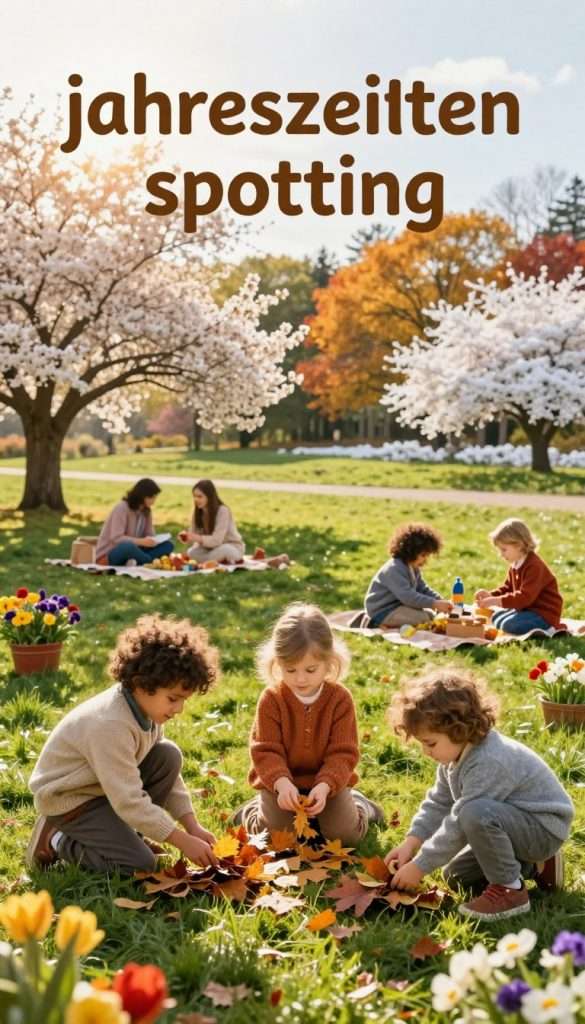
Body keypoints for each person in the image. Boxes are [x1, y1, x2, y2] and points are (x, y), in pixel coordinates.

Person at [27, 615, 220, 875]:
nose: (180, 709)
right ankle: (57, 839)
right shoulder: (111, 724)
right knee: (139, 864)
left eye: (183, 700)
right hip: (71, 801)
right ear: (142, 684)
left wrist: (191, 825)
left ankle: (124, 835)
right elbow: (128, 800)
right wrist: (178, 839)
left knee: (167, 755)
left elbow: (162, 779)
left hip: (105, 790)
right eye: (173, 699)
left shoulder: (146, 709)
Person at [383, 667, 573, 920]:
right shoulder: (453, 758)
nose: (426, 752)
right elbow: (440, 802)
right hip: (515, 826)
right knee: (457, 876)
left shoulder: (489, 761)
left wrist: (420, 867)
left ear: (458, 730)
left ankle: (510, 890)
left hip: (542, 828)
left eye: (430, 743)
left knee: (474, 812)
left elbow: (460, 822)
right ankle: (537, 866)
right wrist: (412, 843)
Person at [235, 603, 384, 843]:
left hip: (328, 785)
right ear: (277, 663)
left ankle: (361, 806)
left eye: (310, 669)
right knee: (275, 839)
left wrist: (326, 785)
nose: (300, 678)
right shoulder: (272, 699)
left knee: (345, 837)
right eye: (290, 670)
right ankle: (252, 811)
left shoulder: (339, 699)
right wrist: (281, 783)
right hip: (281, 785)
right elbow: (265, 749)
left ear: (329, 662)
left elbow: (343, 752)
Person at [474, 518, 563, 636]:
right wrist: (491, 595)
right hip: (527, 609)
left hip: (543, 614)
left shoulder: (534, 566)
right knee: (496, 617)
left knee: (508, 625)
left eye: (504, 550)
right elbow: (508, 588)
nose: (501, 554)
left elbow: (525, 597)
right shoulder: (515, 564)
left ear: (519, 545)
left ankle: (548, 629)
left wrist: (495, 601)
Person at [363, 523, 452, 629]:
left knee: (431, 615)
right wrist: (434, 603)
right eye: (423, 555)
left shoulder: (413, 567)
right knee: (425, 619)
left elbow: (422, 589)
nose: (425, 560)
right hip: (383, 611)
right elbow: (408, 597)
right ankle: (374, 623)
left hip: (398, 606)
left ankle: (389, 623)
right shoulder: (394, 569)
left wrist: (440, 600)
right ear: (411, 551)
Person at [95, 478, 174, 567]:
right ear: (142, 496)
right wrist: (141, 541)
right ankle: (148, 561)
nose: (154, 501)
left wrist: (153, 540)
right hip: (111, 553)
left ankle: (139, 561)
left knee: (168, 545)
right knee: (128, 547)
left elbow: (149, 534)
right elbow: (116, 538)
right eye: (151, 497)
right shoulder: (122, 508)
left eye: (155, 497)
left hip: (136, 550)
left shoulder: (146, 511)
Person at [178, 479, 245, 565]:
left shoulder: (223, 511)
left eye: (199, 496)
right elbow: (194, 535)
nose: (196, 499)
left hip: (230, 546)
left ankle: (220, 559)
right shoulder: (197, 512)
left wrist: (197, 538)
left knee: (225, 549)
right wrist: (187, 538)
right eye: (194, 496)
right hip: (210, 549)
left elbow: (217, 540)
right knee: (191, 552)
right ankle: (218, 560)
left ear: (209, 496)